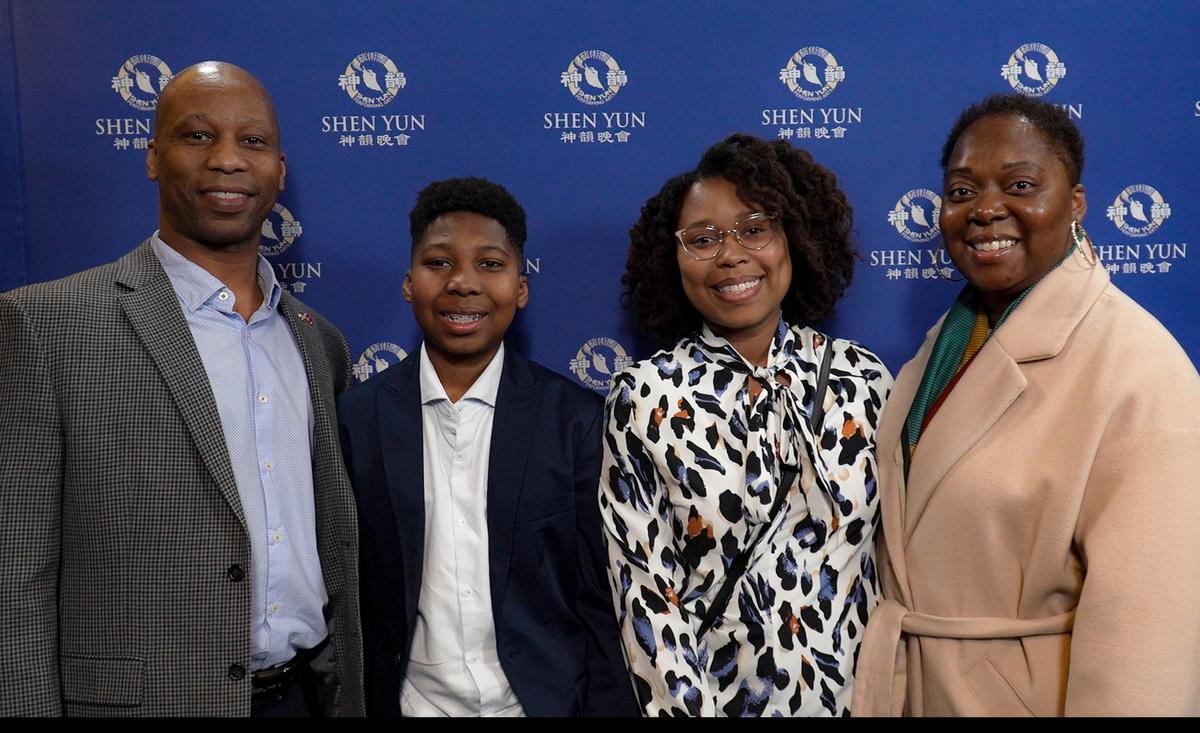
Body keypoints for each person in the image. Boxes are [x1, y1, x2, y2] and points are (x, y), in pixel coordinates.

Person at [0, 61, 363, 717]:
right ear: (152, 156)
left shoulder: (318, 341)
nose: (227, 159)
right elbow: (11, 575)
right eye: (198, 136)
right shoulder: (44, 326)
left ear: (279, 170)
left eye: (251, 142)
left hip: (308, 697)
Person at [851, 94, 1200, 716]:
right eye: (961, 191)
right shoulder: (946, 344)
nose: (986, 210)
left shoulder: (1138, 366)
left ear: (1076, 203)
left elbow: (1151, 633)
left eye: (1020, 185)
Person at [602, 133, 892, 716]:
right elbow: (646, 596)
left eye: (754, 228)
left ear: (795, 239)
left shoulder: (863, 380)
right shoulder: (645, 396)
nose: (731, 255)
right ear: (673, 259)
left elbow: (896, 571)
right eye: (702, 239)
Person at [337, 177, 638, 717]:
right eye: (439, 263)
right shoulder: (357, 419)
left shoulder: (576, 420)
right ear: (408, 284)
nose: (463, 284)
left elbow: (600, 600)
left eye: (490, 265)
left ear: (521, 288)